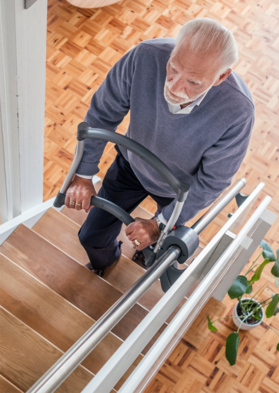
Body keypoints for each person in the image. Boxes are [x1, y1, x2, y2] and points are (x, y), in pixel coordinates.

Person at [65, 18, 255, 276]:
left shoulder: (238, 111)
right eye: (173, 68)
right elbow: (103, 113)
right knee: (90, 236)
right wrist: (84, 174)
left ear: (221, 76)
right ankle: (105, 262)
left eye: (193, 82)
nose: (175, 88)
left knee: (158, 245)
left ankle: (146, 255)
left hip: (179, 191)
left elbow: (212, 181)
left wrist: (159, 224)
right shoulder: (146, 55)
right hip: (132, 165)